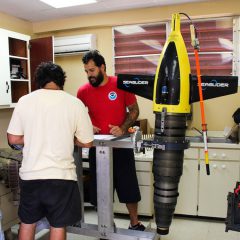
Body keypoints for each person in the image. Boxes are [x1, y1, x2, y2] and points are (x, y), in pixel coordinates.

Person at [7, 62, 94, 240]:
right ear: (62, 81)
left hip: (31, 175)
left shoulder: (25, 100)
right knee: (57, 224)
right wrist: (69, 138)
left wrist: (32, 136)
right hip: (61, 176)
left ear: (39, 81)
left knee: (27, 222)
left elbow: (13, 139)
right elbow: (87, 142)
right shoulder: (75, 103)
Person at [77, 50, 145, 231]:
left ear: (102, 67)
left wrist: (122, 128)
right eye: (86, 71)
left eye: (91, 70)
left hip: (121, 146)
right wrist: (87, 125)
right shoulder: (83, 91)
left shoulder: (121, 85)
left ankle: (134, 223)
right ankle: (106, 225)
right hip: (97, 148)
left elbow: (134, 111)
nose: (89, 75)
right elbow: (77, 115)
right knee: (99, 190)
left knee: (128, 187)